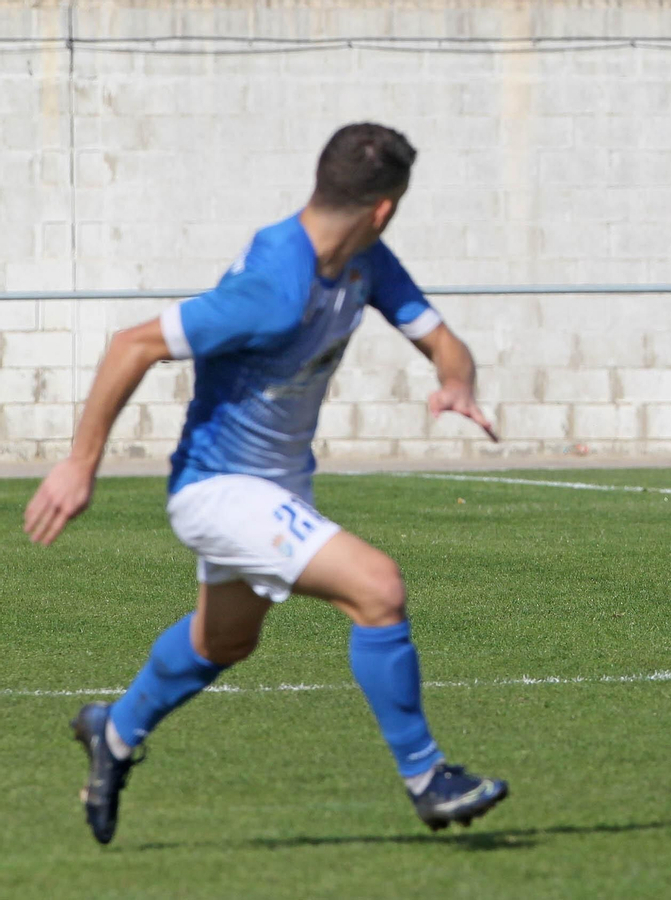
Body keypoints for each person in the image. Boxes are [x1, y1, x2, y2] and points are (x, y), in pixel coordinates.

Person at [24, 123, 509, 843]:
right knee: (377, 587)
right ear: (385, 207)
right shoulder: (275, 286)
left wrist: (456, 380)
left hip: (276, 488)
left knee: (223, 643)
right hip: (218, 489)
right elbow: (134, 344)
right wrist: (80, 461)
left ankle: (114, 732)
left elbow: (441, 341)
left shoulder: (366, 261)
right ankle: (427, 777)